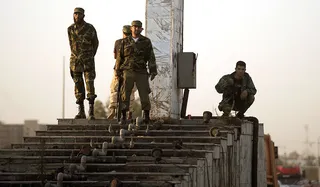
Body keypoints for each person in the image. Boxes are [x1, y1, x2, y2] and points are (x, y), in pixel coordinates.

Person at [115, 20, 157, 124]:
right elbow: (119, 57)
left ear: (141, 29)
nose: (136, 29)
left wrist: (152, 70)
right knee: (125, 94)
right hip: (127, 71)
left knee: (144, 94)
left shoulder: (146, 41)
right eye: (134, 27)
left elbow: (151, 57)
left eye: (138, 27)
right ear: (131, 28)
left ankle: (146, 116)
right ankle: (123, 116)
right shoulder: (124, 41)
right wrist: (117, 71)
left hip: (141, 71)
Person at [67, 7, 99, 120]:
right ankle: (81, 111)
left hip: (88, 62)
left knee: (90, 85)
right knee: (78, 86)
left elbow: (95, 44)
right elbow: (71, 44)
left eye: (79, 14)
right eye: (75, 14)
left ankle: (91, 111)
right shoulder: (70, 29)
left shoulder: (90, 28)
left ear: (83, 16)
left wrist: (89, 55)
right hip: (75, 62)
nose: (76, 16)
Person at [107, 25, 137, 120]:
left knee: (114, 89)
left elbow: (115, 56)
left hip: (118, 69)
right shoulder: (135, 43)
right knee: (130, 91)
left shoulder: (118, 42)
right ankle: (130, 112)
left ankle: (112, 109)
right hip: (131, 70)